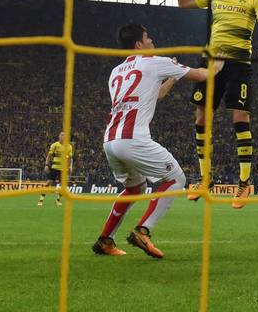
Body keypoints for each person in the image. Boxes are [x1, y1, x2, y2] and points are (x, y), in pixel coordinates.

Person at [92, 23, 217, 258]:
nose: (152, 41)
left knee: (135, 188)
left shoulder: (116, 72)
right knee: (176, 178)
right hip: (133, 139)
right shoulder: (155, 61)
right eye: (148, 38)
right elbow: (202, 75)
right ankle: (143, 231)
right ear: (139, 43)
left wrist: (171, 77)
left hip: (110, 140)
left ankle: (104, 240)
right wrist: (221, 61)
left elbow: (155, 94)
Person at [176, 0, 258, 208]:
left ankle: (245, 183)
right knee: (200, 117)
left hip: (239, 64)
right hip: (211, 61)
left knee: (240, 118)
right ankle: (204, 178)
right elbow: (184, 2)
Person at [38, 132, 73, 206]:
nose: (63, 137)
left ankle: (58, 200)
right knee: (48, 183)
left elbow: (70, 158)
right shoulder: (55, 145)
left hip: (63, 169)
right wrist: (46, 165)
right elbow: (49, 156)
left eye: (64, 135)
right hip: (54, 168)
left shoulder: (69, 147)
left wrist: (70, 166)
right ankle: (41, 200)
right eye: (61, 135)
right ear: (59, 136)